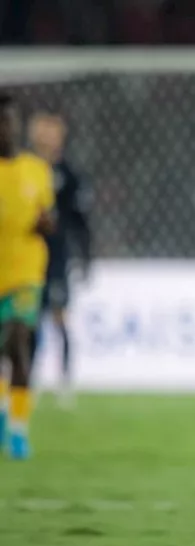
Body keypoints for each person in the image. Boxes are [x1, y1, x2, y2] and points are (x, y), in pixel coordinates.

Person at [0, 93, 56, 460]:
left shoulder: (37, 170)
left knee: (19, 341)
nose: (7, 128)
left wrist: (45, 223)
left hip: (26, 273)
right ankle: (7, 410)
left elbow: (49, 221)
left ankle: (18, 431)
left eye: (10, 121)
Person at [28, 108, 91, 407]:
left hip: (58, 259)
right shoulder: (23, 171)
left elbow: (81, 220)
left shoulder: (69, 173)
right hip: (27, 258)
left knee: (59, 318)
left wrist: (86, 257)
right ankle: (29, 380)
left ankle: (65, 382)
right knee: (29, 322)